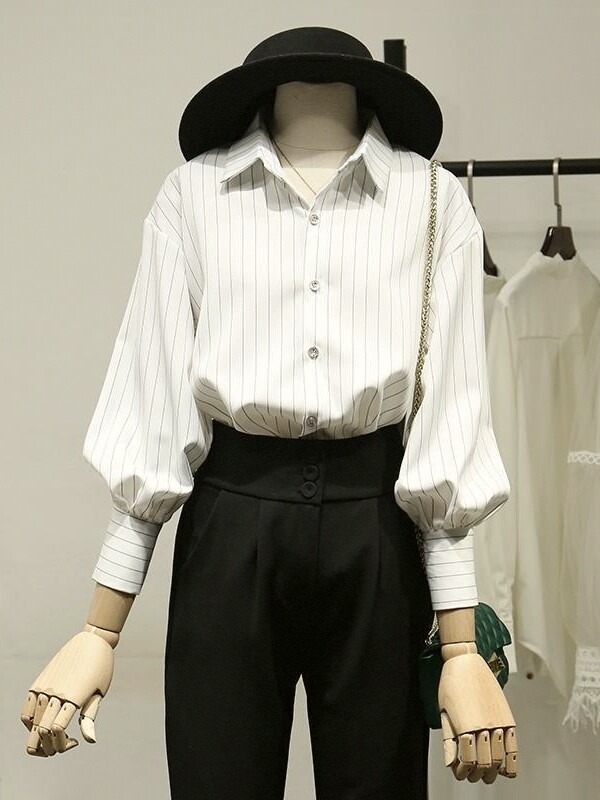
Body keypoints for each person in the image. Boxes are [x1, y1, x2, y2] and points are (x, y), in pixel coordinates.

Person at [21, 26, 517, 799]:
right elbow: (153, 407)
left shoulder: (430, 199)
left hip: (377, 526)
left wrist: (460, 649)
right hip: (231, 521)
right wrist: (99, 629)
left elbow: (445, 417)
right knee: (216, 780)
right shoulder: (194, 194)